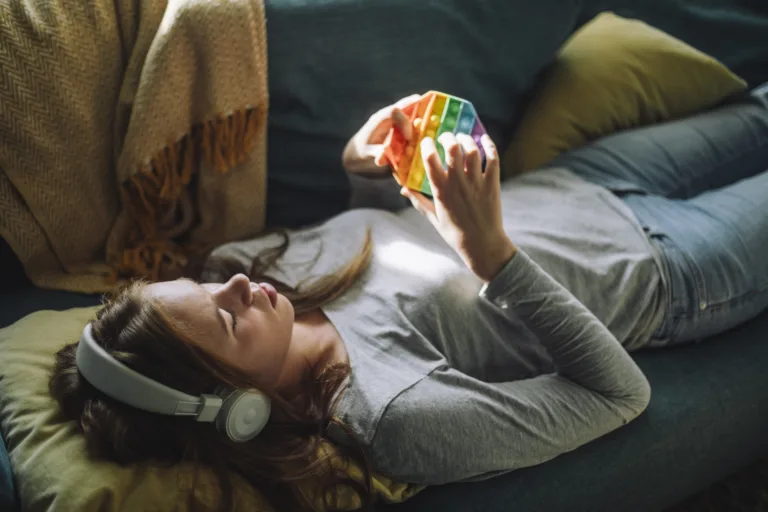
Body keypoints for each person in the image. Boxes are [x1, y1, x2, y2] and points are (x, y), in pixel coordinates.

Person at [49, 86, 768, 512]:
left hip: (582, 181)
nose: (234, 285)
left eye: (206, 285)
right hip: (674, 267)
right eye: (225, 318)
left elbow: (380, 236)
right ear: (239, 408)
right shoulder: (393, 417)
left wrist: (368, 165)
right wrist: (492, 256)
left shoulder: (249, 263)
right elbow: (619, 396)